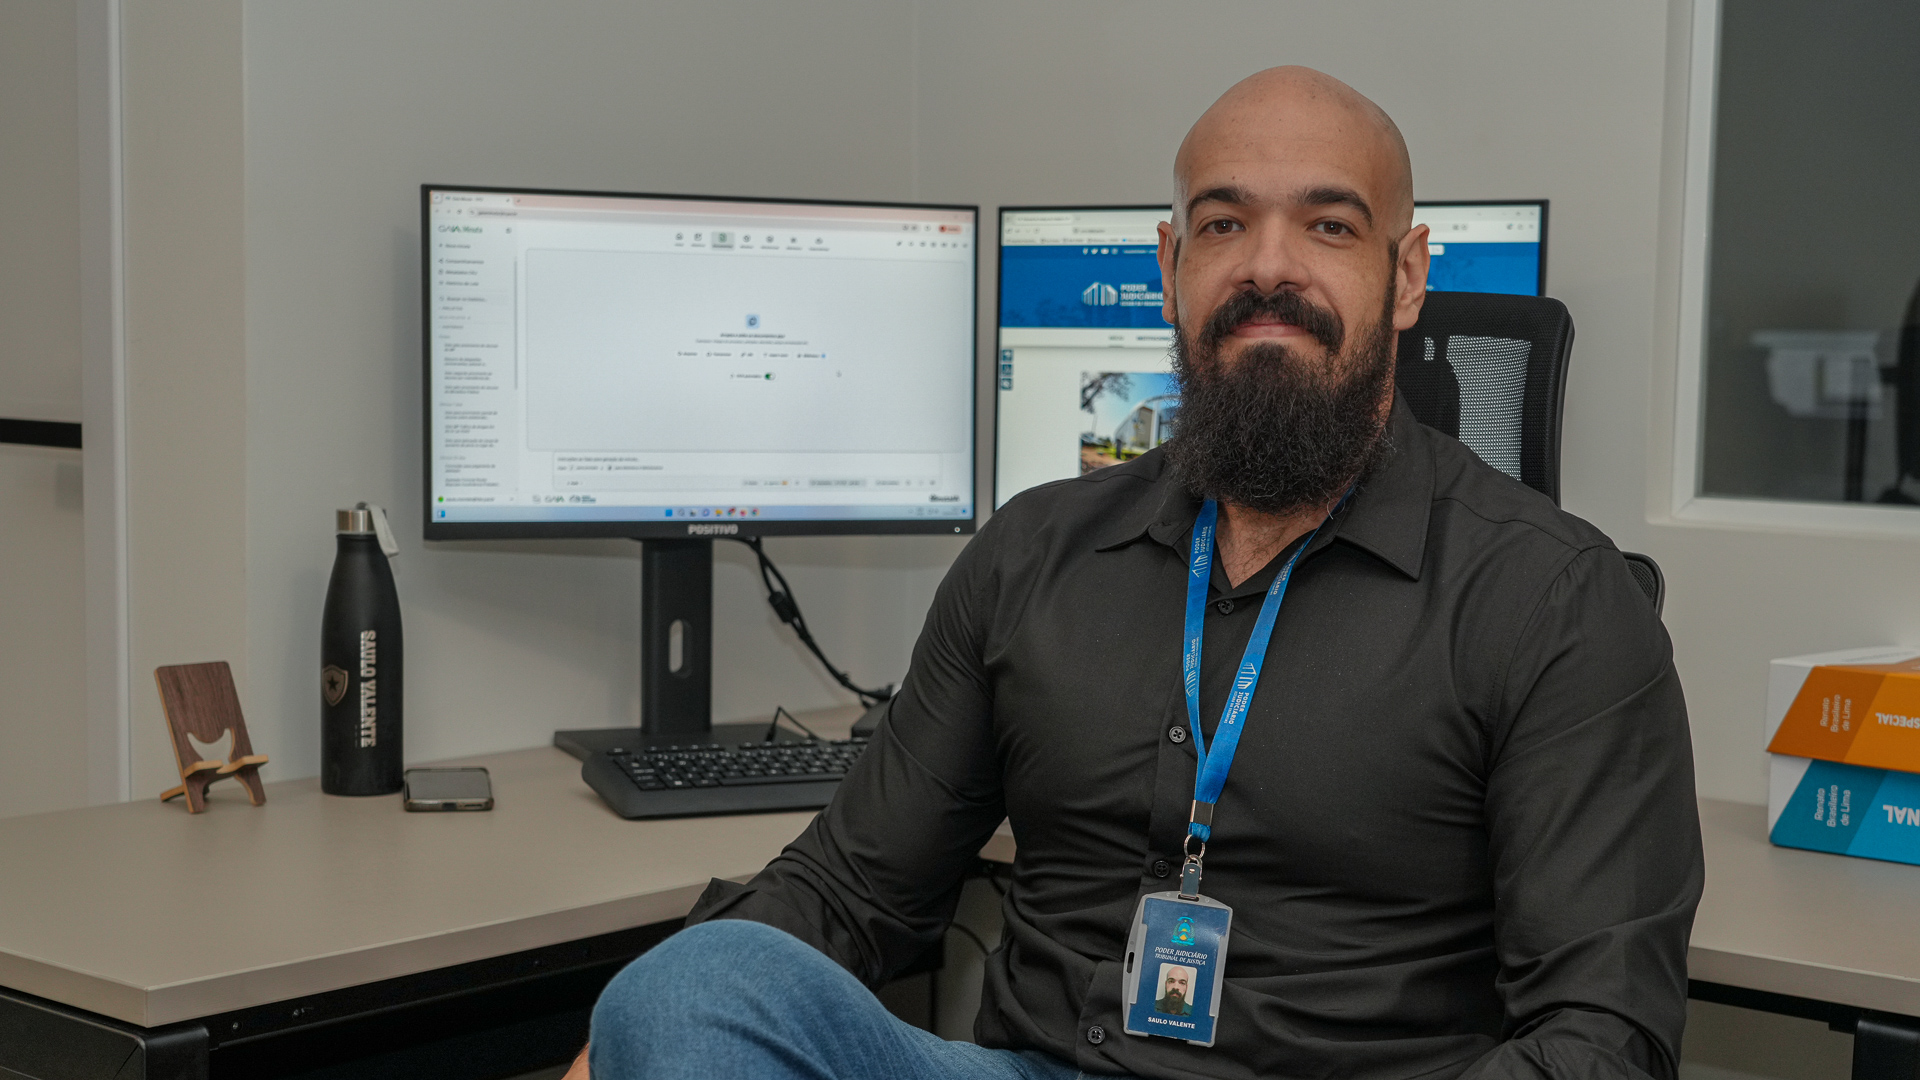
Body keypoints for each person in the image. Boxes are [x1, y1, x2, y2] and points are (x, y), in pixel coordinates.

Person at [572, 65, 1702, 1080]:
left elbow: (1599, 1040)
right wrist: (627, 1043)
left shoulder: (1554, 603)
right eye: (1223, 224)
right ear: (1172, 267)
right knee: (686, 993)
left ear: (1406, 277)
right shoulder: (1034, 554)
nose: (1269, 266)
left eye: (1328, 225)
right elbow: (849, 892)